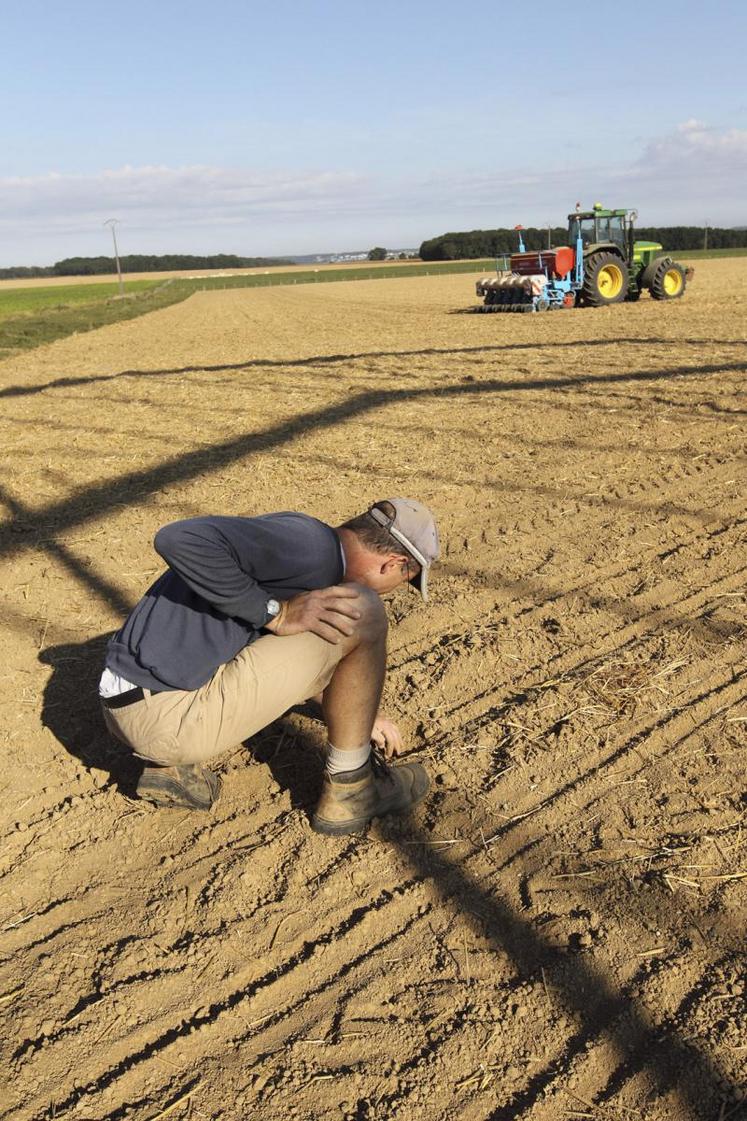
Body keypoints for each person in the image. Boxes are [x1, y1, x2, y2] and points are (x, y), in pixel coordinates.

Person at [99, 498, 439, 836]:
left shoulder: (307, 542)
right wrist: (277, 613)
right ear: (392, 564)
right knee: (363, 611)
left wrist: (360, 715)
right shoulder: (311, 549)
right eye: (404, 581)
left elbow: (277, 654)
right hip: (166, 717)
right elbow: (178, 538)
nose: (393, 591)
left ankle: (166, 767)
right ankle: (353, 789)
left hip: (133, 703)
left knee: (320, 619)